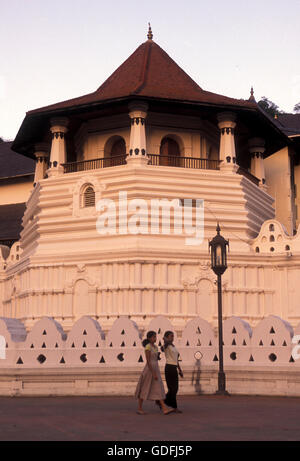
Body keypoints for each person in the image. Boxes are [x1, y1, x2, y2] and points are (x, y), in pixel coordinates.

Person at [135, 331, 175, 415]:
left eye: (155, 337)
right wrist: (153, 373)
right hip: (149, 370)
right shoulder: (148, 347)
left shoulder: (155, 347)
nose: (155, 339)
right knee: (144, 388)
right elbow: (148, 361)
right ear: (149, 338)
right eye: (153, 337)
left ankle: (164, 408)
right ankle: (139, 408)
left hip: (155, 368)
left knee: (158, 388)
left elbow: (156, 358)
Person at [161, 330, 183, 413]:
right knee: (172, 388)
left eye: (173, 336)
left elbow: (176, 359)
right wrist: (166, 340)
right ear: (167, 337)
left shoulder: (173, 346)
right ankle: (174, 407)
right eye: (171, 336)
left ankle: (163, 402)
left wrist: (180, 370)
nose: (172, 338)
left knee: (175, 389)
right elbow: (162, 349)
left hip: (174, 368)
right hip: (169, 367)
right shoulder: (167, 345)